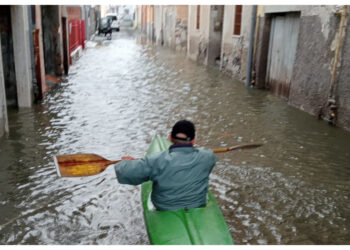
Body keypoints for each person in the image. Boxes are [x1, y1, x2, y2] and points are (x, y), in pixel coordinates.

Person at [114, 120, 216, 211]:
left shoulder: (156, 160)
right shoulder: (209, 157)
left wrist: (126, 163)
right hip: (197, 204)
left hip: (164, 208)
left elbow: (124, 173)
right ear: (194, 140)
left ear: (170, 137)